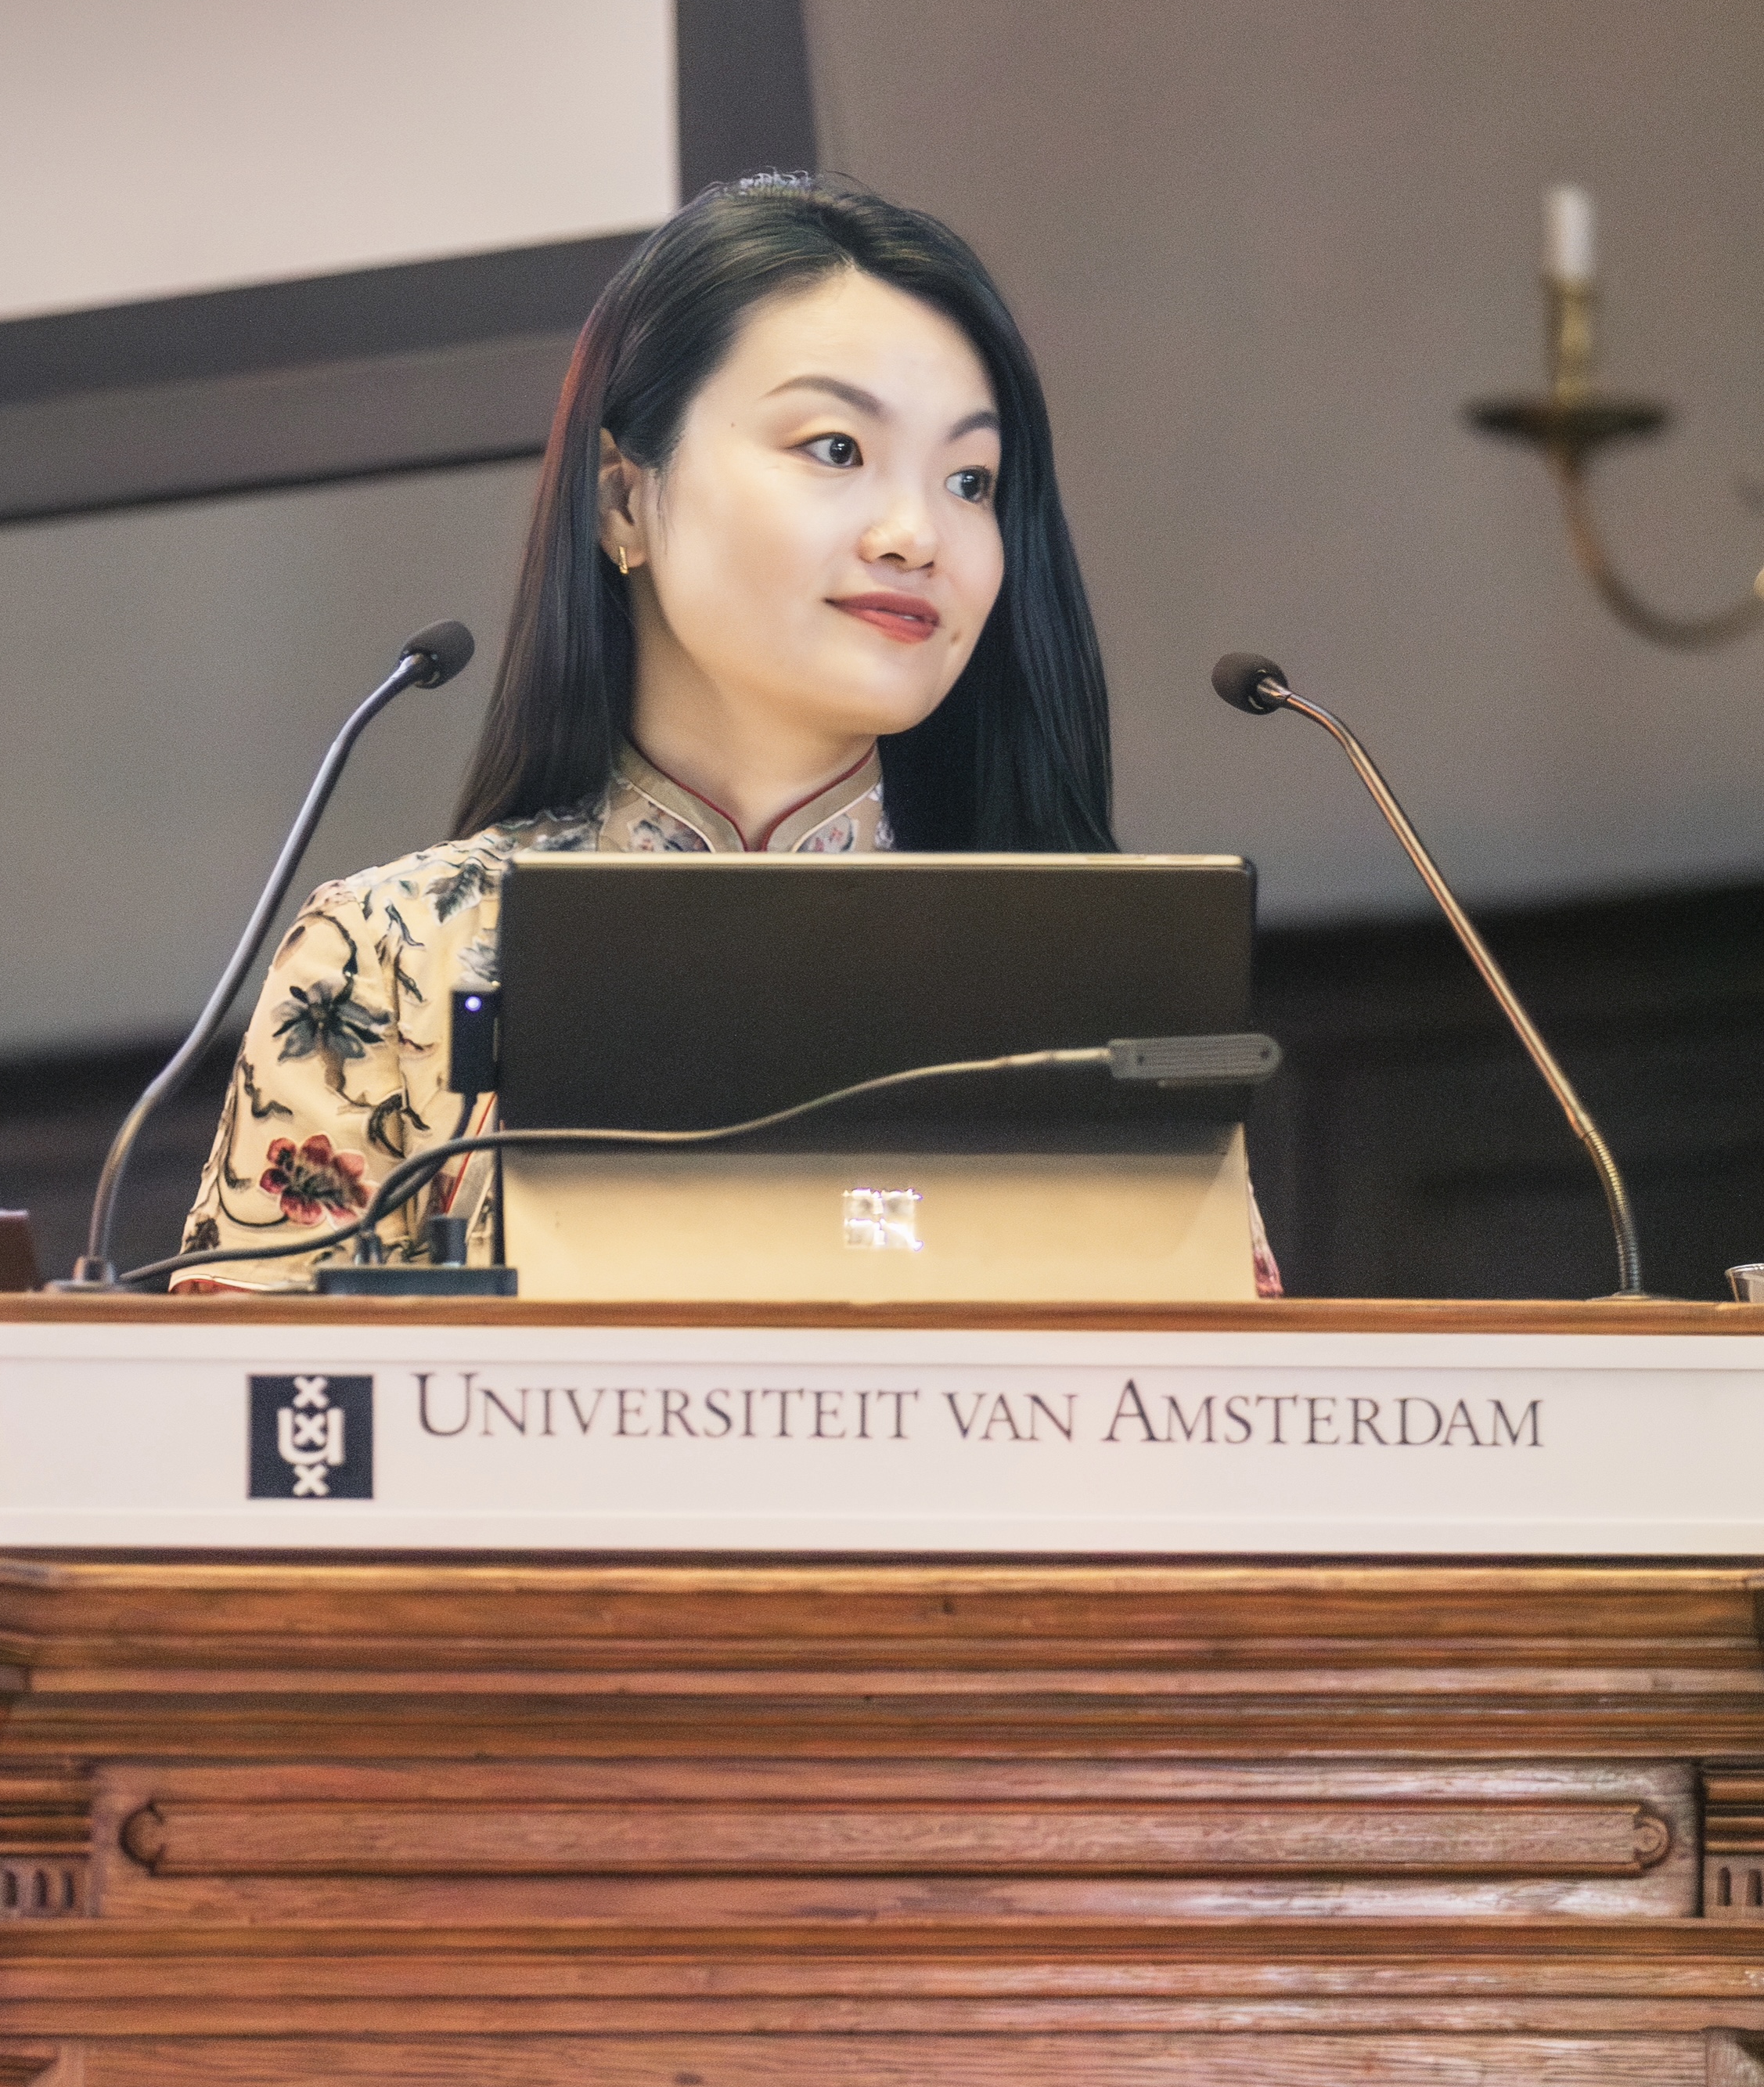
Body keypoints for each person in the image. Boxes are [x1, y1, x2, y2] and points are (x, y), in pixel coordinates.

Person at [175, 172, 1278, 1292]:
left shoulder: (1087, 968)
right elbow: (248, 1434)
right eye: (836, 449)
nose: (917, 534)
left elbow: (1228, 1421)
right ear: (620, 500)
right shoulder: (395, 951)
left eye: (969, 478)